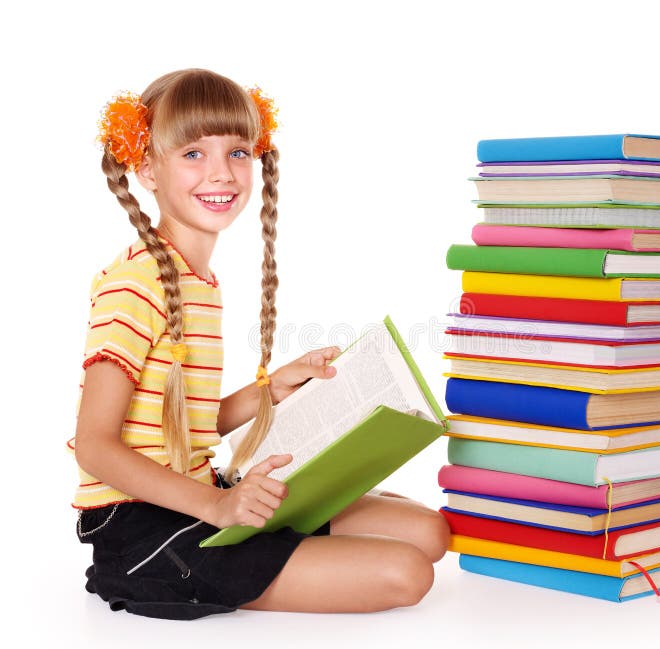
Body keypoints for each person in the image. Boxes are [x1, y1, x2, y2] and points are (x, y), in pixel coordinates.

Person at [71, 68, 450, 620]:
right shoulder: (134, 285)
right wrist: (218, 505)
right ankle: (195, 569)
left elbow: (179, 425)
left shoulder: (196, 282)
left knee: (427, 531)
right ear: (148, 168)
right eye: (194, 154)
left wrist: (269, 392)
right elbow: (95, 447)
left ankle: (265, 545)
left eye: (238, 152)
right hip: (141, 526)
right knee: (407, 572)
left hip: (197, 495)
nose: (221, 173)